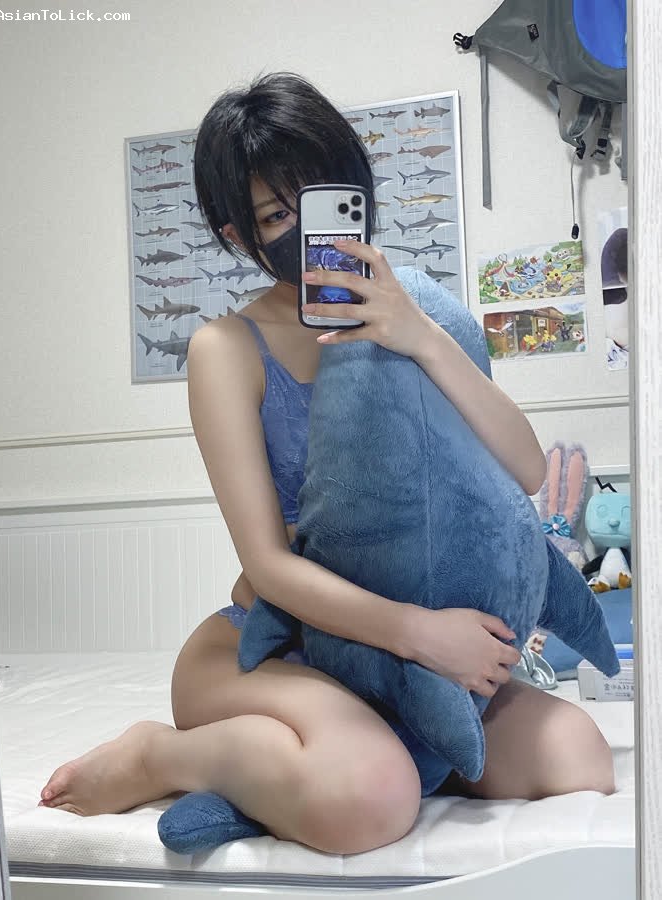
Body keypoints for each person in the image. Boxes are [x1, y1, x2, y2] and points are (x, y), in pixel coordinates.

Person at [38, 72, 615, 855]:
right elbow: (267, 565)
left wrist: (419, 338)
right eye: (277, 215)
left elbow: (522, 470)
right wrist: (420, 634)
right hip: (274, 647)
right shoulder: (224, 350)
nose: (305, 228)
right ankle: (161, 756)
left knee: (578, 757)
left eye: (322, 195)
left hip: (401, 657)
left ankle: (318, 771)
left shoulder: (415, 311)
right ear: (238, 235)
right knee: (369, 798)